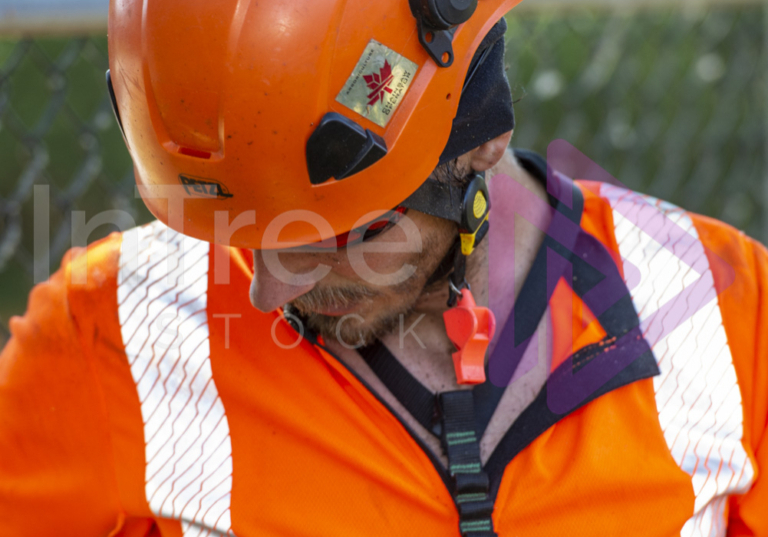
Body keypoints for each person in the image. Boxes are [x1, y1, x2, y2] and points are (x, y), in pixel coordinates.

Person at [1, 0, 766, 535]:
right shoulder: (107, 339)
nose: (268, 288)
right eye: (231, 229)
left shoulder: (722, 306)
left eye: (339, 232)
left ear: (480, 139)